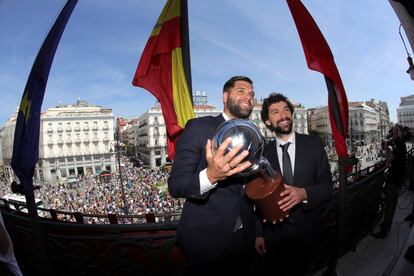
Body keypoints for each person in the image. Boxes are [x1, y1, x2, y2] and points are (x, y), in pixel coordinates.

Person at [168, 76, 257, 273]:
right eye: (241, 91)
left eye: (251, 93)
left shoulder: (253, 135)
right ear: (225, 97)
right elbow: (176, 185)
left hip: (245, 239)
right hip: (207, 242)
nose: (248, 96)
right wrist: (211, 176)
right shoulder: (198, 127)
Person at [255, 93, 333, 275]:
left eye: (286, 110)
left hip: (308, 231)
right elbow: (257, 200)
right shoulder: (263, 155)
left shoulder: (313, 144)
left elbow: (327, 187)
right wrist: (258, 233)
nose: (283, 115)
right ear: (267, 121)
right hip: (273, 235)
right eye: (275, 112)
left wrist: (304, 193)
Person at [373, 125, 407, 238]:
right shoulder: (400, 145)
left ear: (398, 134)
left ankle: (386, 229)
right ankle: (386, 223)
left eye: (394, 132)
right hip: (395, 178)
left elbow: (389, 160)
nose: (392, 134)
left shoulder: (399, 146)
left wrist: (386, 147)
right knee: (389, 203)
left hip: (394, 179)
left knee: (390, 204)